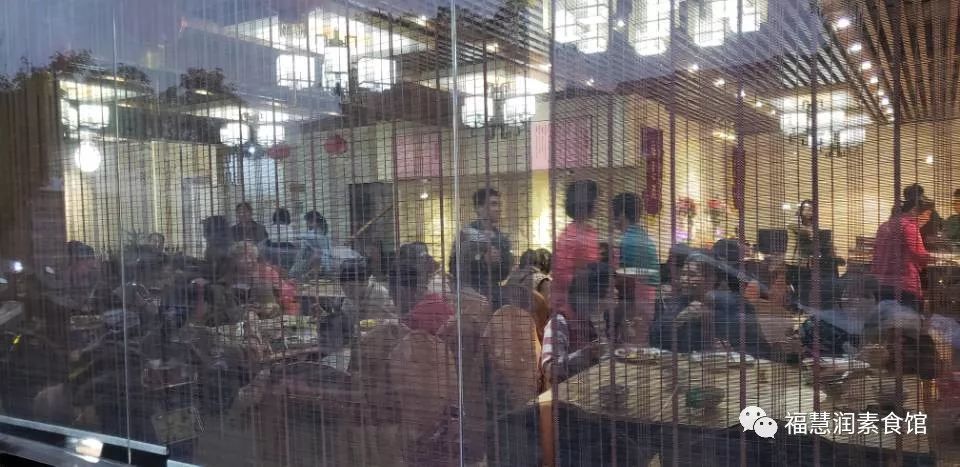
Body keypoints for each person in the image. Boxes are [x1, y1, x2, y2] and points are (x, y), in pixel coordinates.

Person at [541, 263, 613, 383]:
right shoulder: (559, 322)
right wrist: (585, 355)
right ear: (595, 292)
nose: (616, 292)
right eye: (611, 288)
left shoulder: (597, 318)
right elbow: (550, 369)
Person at [871, 193, 935, 312]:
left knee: (886, 319)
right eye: (928, 214)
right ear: (915, 210)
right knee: (909, 320)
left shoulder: (884, 226)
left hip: (881, 284)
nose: (928, 218)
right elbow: (919, 255)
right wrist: (934, 258)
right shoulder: (909, 226)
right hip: (904, 286)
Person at [611, 192, 660, 344]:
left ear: (621, 215)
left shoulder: (627, 241)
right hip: (649, 303)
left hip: (633, 306)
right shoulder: (645, 238)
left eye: (613, 214)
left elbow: (623, 280)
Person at [449, 188, 512, 303]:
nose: (498, 209)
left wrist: (498, 262)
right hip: (470, 295)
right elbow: (454, 268)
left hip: (493, 294)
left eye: (499, 205)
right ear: (479, 208)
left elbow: (504, 274)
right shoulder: (466, 234)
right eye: (493, 204)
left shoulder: (502, 239)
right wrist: (483, 260)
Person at [551, 180, 601, 319]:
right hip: (570, 306)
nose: (599, 205)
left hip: (589, 303)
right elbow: (561, 275)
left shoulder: (591, 232)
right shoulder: (570, 235)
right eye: (597, 201)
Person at [387, 251, 454, 336]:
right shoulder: (439, 301)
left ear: (402, 290)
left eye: (393, 294)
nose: (391, 297)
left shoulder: (413, 320)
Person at [227, 241, 299, 316]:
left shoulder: (267, 272)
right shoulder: (228, 276)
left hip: (268, 315)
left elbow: (288, 297)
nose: (248, 260)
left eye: (251, 256)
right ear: (234, 260)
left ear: (256, 257)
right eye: (242, 257)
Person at [290, 210, 333, 279]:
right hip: (325, 266)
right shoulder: (323, 233)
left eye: (307, 221)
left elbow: (317, 254)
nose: (306, 224)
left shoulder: (313, 234)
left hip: (319, 266)